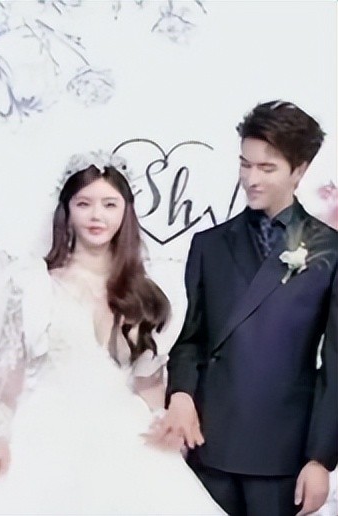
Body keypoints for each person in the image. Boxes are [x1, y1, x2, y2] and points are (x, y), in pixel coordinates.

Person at [0, 152, 223, 514]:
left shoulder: (146, 292)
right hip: (44, 430)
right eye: (84, 204)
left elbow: (147, 380)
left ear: (126, 212)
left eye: (109, 204)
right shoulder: (33, 284)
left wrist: (163, 420)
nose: (97, 215)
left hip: (123, 432)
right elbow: (7, 371)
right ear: (66, 210)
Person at [156, 100, 337, 516]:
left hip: (282, 451)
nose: (251, 179)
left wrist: (321, 458)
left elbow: (336, 362)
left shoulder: (329, 250)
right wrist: (180, 393)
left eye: (266, 168)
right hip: (208, 443)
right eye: (245, 164)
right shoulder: (209, 245)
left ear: (300, 170)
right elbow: (190, 339)